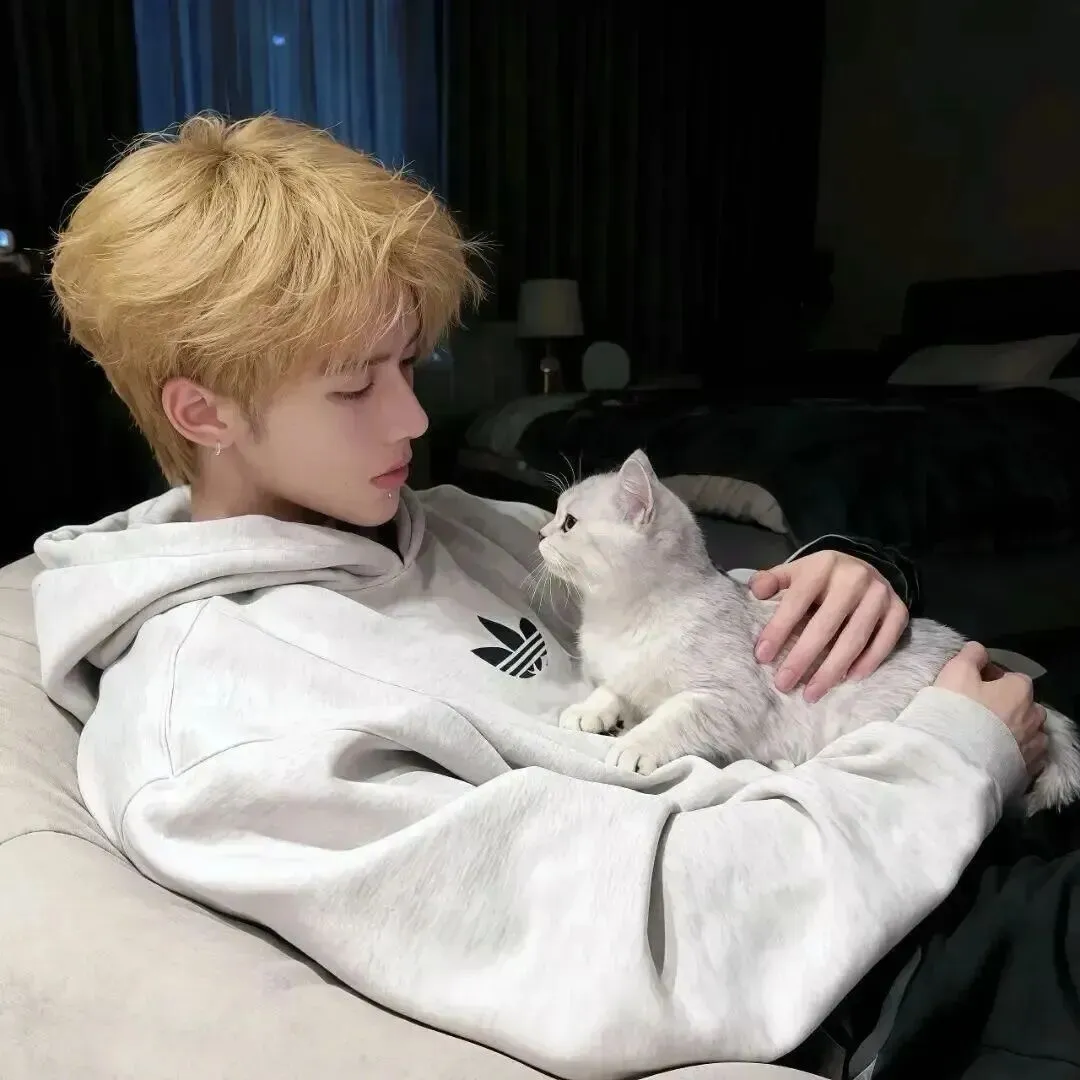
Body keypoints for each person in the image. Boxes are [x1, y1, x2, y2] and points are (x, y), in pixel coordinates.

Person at [32, 114, 1054, 1080]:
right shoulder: (229, 721)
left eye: (408, 363)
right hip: (899, 949)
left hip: (908, 821)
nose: (414, 419)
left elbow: (678, 600)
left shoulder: (447, 523)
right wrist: (951, 756)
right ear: (202, 412)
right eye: (353, 386)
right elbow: (657, 946)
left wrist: (847, 571)